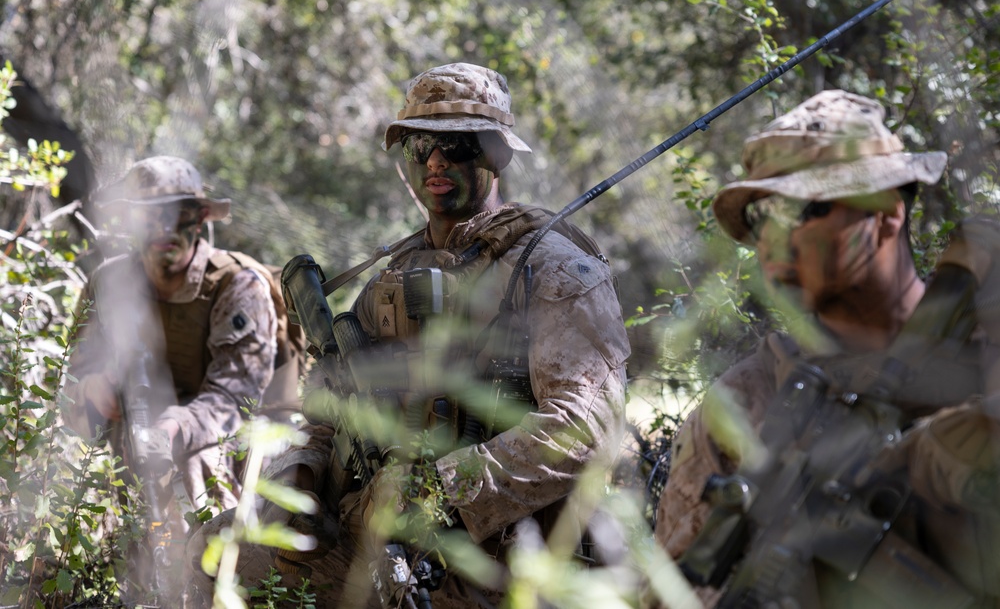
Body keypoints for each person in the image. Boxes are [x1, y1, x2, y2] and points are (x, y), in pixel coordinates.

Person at [185, 62, 631, 607]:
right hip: (379, 541)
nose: (436, 160)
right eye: (420, 147)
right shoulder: (394, 280)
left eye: (459, 145)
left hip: (508, 552)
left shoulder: (554, 270)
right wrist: (297, 479)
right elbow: (328, 412)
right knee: (216, 553)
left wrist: (434, 490)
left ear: (498, 154)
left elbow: (586, 429)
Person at [652, 90, 1000, 607]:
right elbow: (677, 590)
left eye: (801, 208)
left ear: (885, 213)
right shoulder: (743, 404)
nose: (774, 239)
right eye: (760, 217)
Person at [64, 156, 279, 589]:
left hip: (220, 456)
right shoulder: (110, 284)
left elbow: (235, 396)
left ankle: (212, 581)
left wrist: (176, 426)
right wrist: (91, 391)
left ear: (200, 217)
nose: (162, 228)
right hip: (129, 456)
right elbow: (72, 378)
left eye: (176, 214)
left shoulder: (235, 285)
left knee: (196, 461)